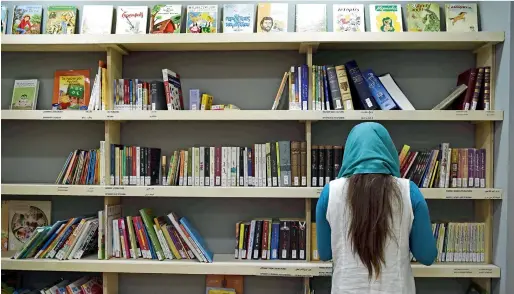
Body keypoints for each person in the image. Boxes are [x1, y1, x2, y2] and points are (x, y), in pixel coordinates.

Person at [316, 122, 437, 294]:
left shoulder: (331, 192)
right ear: (389, 151)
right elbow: (427, 256)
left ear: (350, 152)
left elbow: (325, 254)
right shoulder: (409, 191)